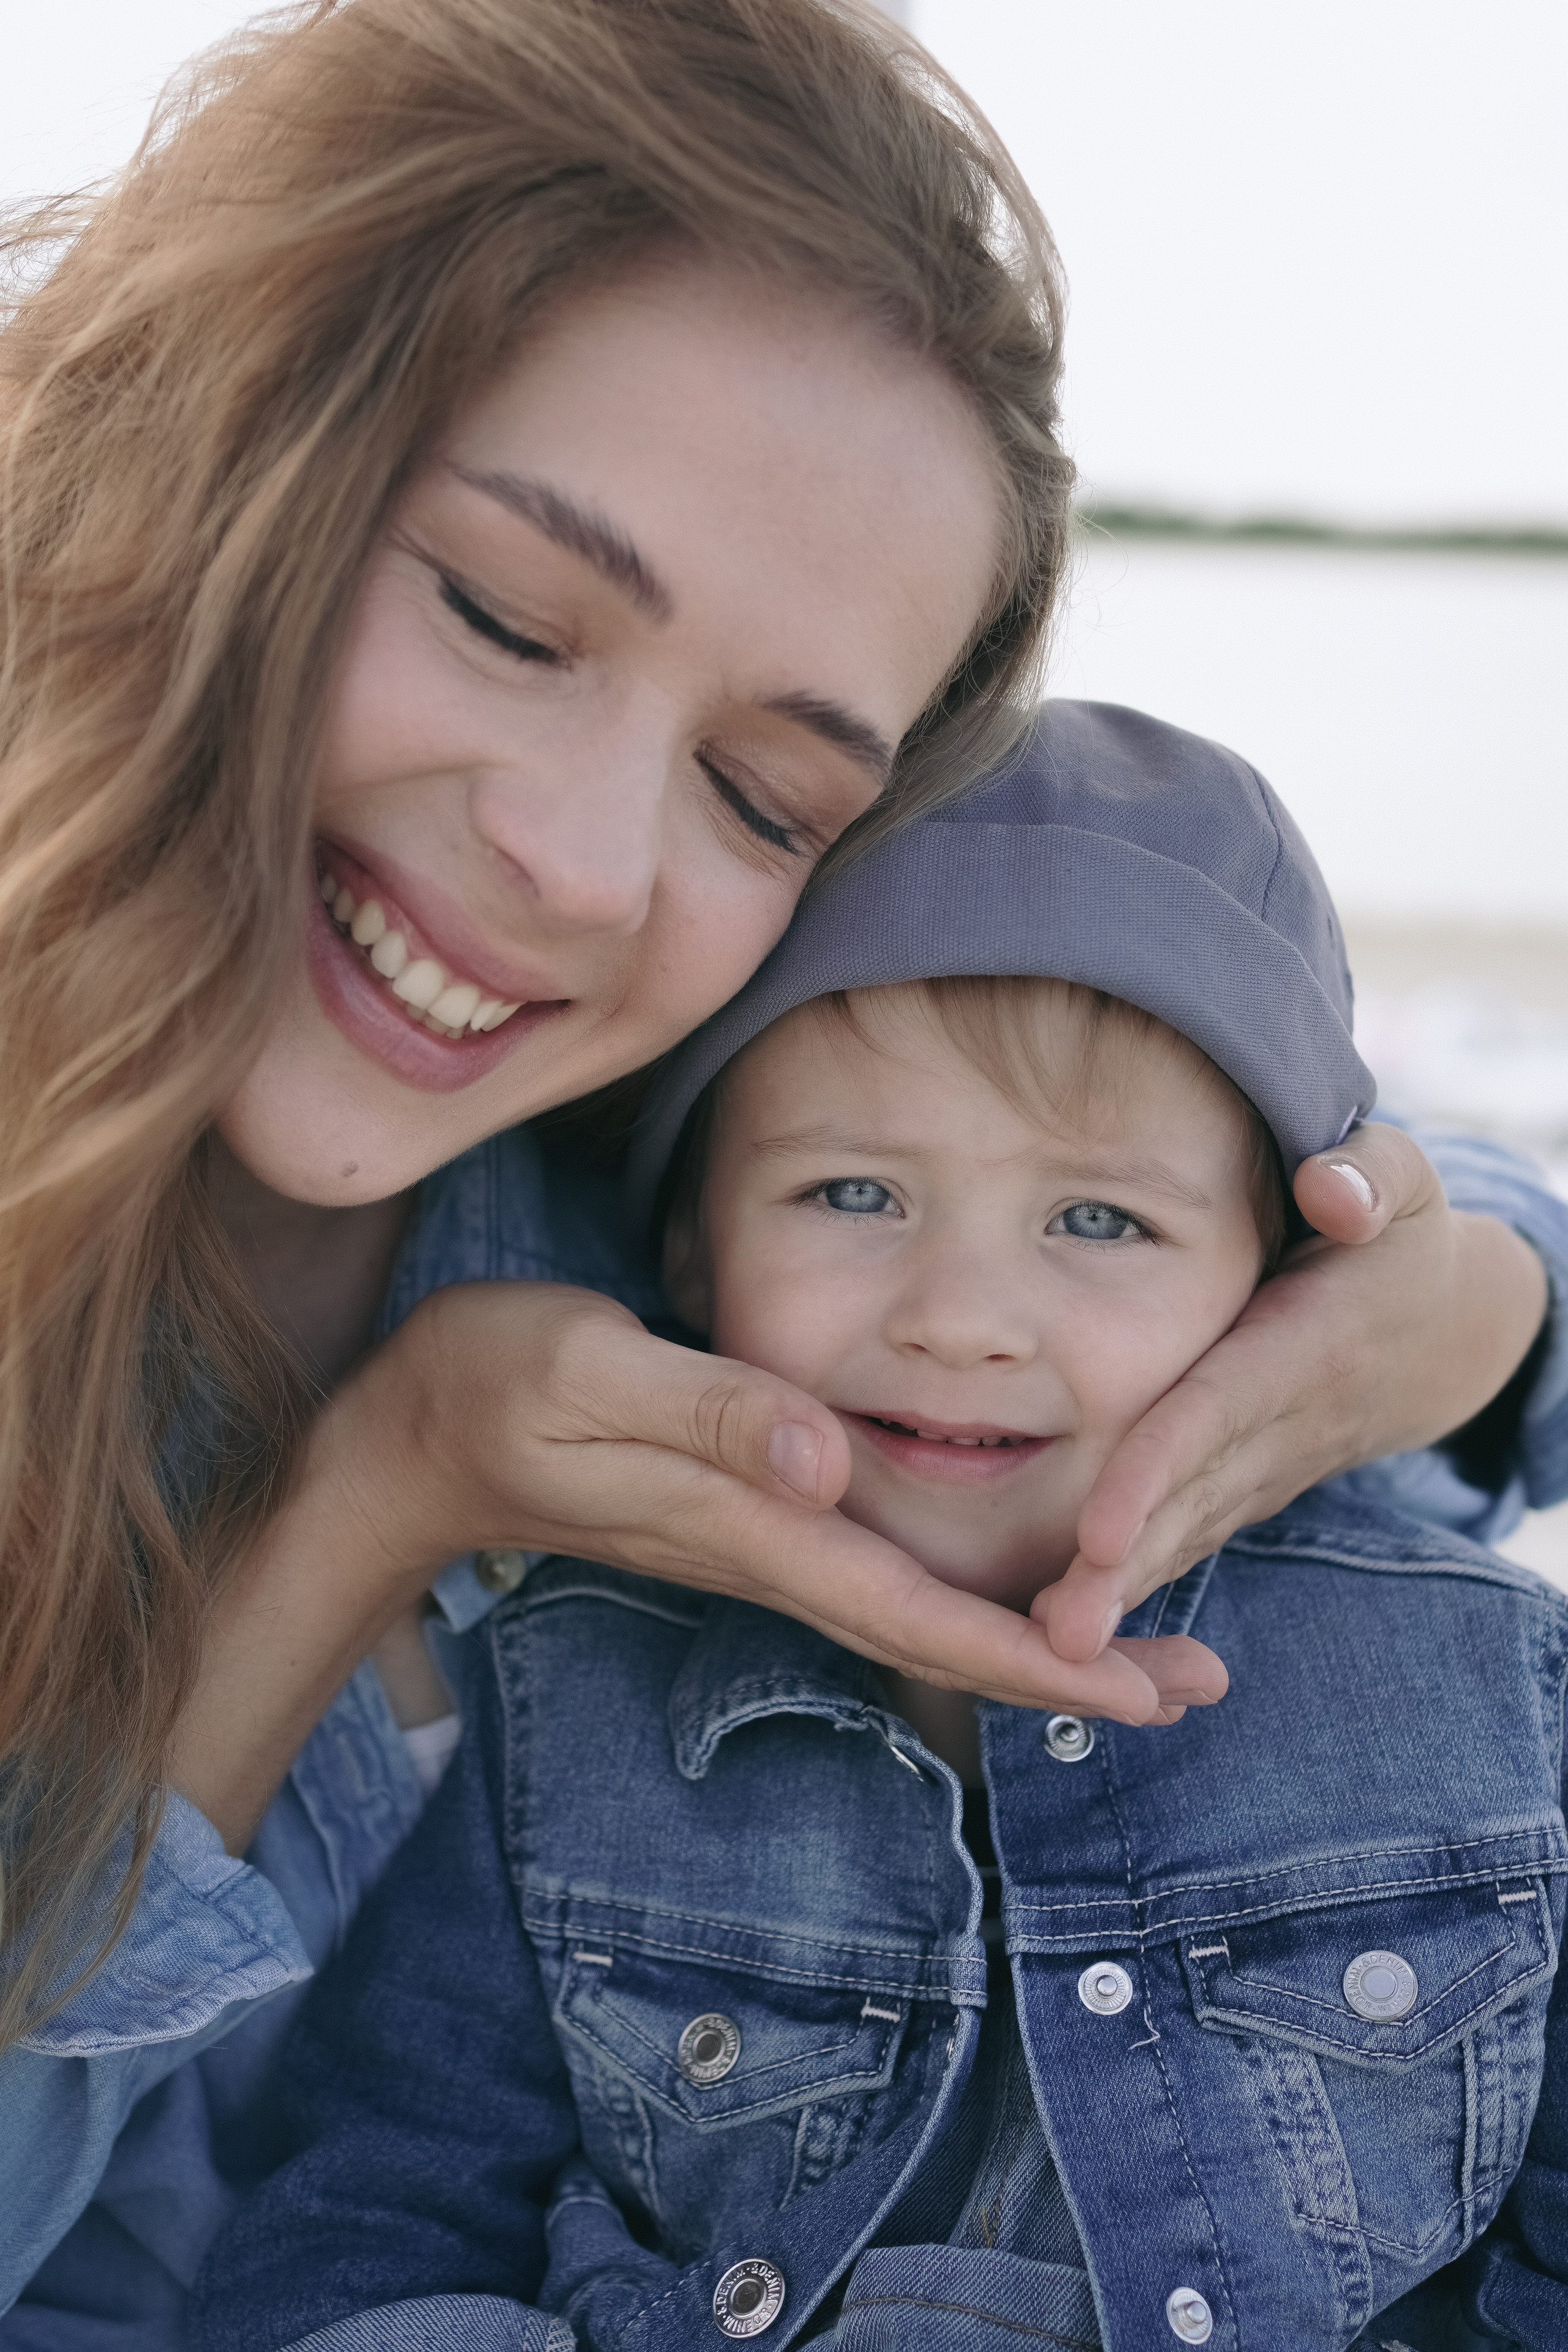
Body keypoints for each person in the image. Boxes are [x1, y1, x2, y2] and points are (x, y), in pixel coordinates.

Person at [0, 0, 1562, 2334]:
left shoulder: (647, 1212)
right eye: (508, 619)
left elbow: (1134, 1151)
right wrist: (372, 1501)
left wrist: (1465, 1294)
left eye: (764, 799)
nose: (580, 864)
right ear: (203, 473)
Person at [190, 703, 1568, 2351]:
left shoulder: (1493, 1687)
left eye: (1099, 1220)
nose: (961, 1318)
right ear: (691, 1253)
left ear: (1281, 1292)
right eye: (854, 1195)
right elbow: (372, 2216)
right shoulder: (570, 1692)